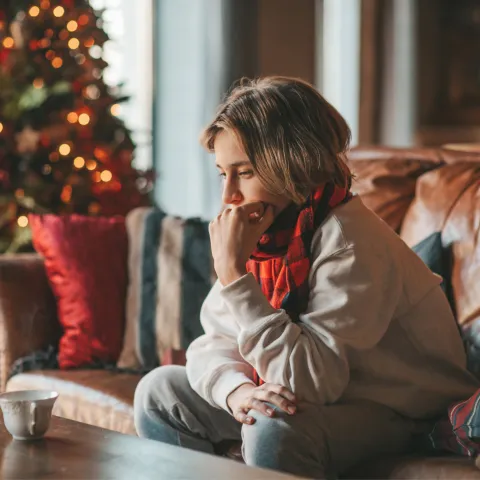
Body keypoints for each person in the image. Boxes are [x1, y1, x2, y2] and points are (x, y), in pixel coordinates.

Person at [133, 77, 478, 478]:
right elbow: (214, 341)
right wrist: (237, 392)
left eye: (243, 173)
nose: (228, 195)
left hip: (400, 411)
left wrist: (233, 276)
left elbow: (312, 383)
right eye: (221, 174)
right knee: (159, 392)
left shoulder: (350, 242)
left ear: (291, 164)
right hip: (321, 398)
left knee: (274, 431)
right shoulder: (266, 237)